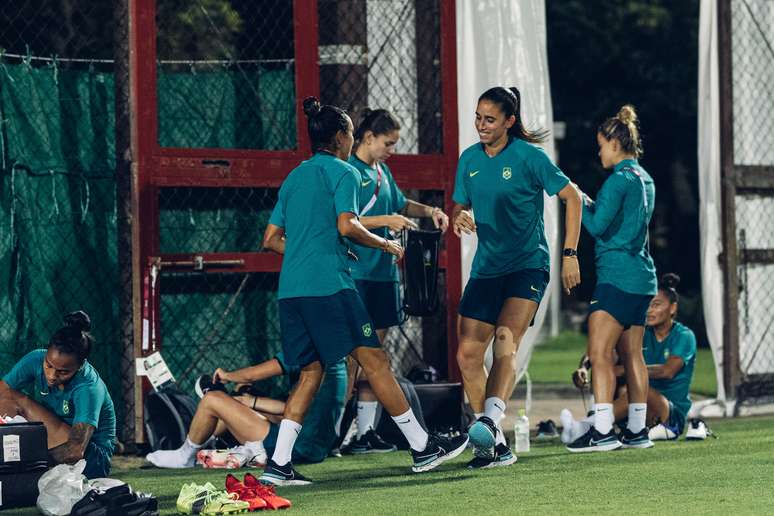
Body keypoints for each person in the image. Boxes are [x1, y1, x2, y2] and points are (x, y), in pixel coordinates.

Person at [259, 96, 468, 485]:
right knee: (375, 362)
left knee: (310, 372)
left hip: (292, 292)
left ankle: (278, 464)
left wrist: (311, 251)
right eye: (351, 134)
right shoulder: (345, 172)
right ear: (340, 137)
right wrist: (384, 243)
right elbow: (347, 225)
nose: (352, 139)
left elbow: (271, 238)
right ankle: (423, 447)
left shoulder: (295, 176)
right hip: (331, 288)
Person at [452, 86, 582, 468]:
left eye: (489, 119)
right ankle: (490, 443)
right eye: (477, 117)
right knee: (467, 355)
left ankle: (490, 422)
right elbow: (461, 202)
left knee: (506, 339)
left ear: (509, 122)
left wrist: (570, 254)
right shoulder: (470, 159)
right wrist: (459, 213)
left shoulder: (529, 157)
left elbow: (572, 196)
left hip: (528, 265)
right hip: (487, 268)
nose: (481, 125)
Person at [343, 108, 449, 454]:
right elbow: (348, 221)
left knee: (378, 356)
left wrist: (430, 211)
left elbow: (401, 204)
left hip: (384, 276)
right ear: (368, 137)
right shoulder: (350, 173)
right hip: (358, 273)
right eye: (388, 143)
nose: (392, 150)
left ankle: (365, 432)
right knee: (354, 357)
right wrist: (387, 219)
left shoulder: (382, 170)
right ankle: (338, 429)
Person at [567, 105, 657, 452]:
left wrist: (577, 197)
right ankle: (637, 430)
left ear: (616, 144)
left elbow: (596, 225)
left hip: (617, 276)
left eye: (601, 144)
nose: (599, 151)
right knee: (633, 354)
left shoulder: (618, 180)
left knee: (599, 351)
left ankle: (602, 430)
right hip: (642, 277)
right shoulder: (644, 178)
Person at [145, 353, 347, 468]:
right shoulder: (337, 361)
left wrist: (227, 375)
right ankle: (209, 440)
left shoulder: (307, 351)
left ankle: (186, 455)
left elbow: (251, 375)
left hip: (294, 447)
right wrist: (251, 401)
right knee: (237, 402)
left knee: (212, 399)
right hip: (317, 448)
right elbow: (292, 410)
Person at [561, 274, 697, 442]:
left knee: (636, 390)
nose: (649, 310)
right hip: (641, 408)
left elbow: (667, 371)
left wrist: (622, 371)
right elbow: (603, 350)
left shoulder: (684, 335)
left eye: (656, 305)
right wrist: (584, 367)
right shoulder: (641, 333)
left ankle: (585, 426)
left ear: (673, 308)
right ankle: (602, 423)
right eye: (647, 305)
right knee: (617, 375)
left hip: (670, 413)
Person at [0, 311, 116, 478]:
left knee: (18, 399)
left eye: (63, 372)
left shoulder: (88, 388)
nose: (52, 376)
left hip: (91, 460)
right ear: (46, 353)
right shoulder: (35, 359)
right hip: (54, 441)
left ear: (81, 365)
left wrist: (28, 461)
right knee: (6, 394)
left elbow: (75, 450)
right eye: (49, 365)